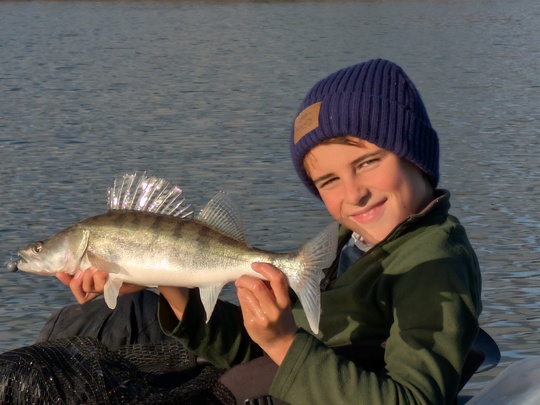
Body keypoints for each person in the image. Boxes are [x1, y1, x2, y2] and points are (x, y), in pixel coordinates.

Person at [39, 58, 483, 404]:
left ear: (417, 156)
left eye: (368, 163)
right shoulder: (357, 244)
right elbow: (257, 356)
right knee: (101, 318)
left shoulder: (433, 265)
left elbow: (412, 399)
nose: (354, 194)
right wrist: (171, 285)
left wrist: (283, 342)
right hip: (284, 381)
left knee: (105, 341)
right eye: (328, 181)